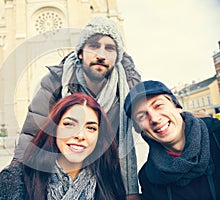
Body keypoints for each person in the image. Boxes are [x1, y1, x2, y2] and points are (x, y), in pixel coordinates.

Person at [14, 16, 141, 199]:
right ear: (80, 53)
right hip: (58, 171)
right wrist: (16, 179)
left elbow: (146, 129)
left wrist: (131, 190)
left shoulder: (126, 89)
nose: (101, 55)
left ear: (117, 57)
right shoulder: (56, 81)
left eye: (110, 48)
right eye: (93, 46)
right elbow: (32, 132)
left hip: (105, 177)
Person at [0, 93, 126, 199]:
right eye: (69, 124)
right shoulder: (16, 179)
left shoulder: (108, 180)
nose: (80, 135)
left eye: (90, 128)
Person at [124, 80, 220, 200]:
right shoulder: (149, 178)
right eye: (141, 116)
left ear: (177, 106)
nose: (154, 118)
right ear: (139, 129)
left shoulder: (217, 136)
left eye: (158, 105)